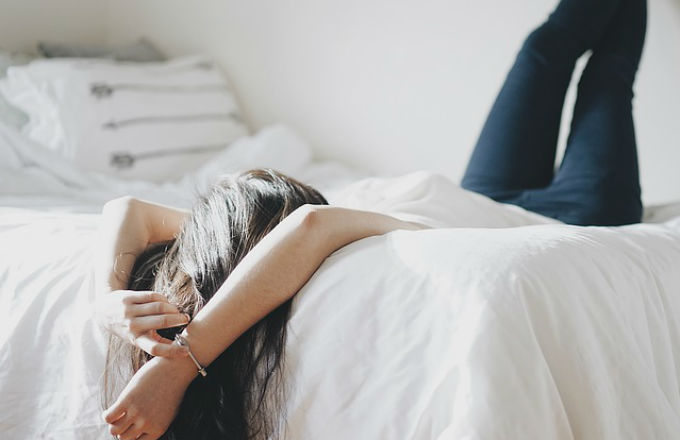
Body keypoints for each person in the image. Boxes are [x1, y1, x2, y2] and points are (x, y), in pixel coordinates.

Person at [97, 0, 647, 438]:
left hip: (481, 190)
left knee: (542, 51)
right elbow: (311, 225)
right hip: (573, 213)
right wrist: (180, 365)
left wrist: (106, 297)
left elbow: (128, 212)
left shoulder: (259, 236)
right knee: (608, 77)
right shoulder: (347, 235)